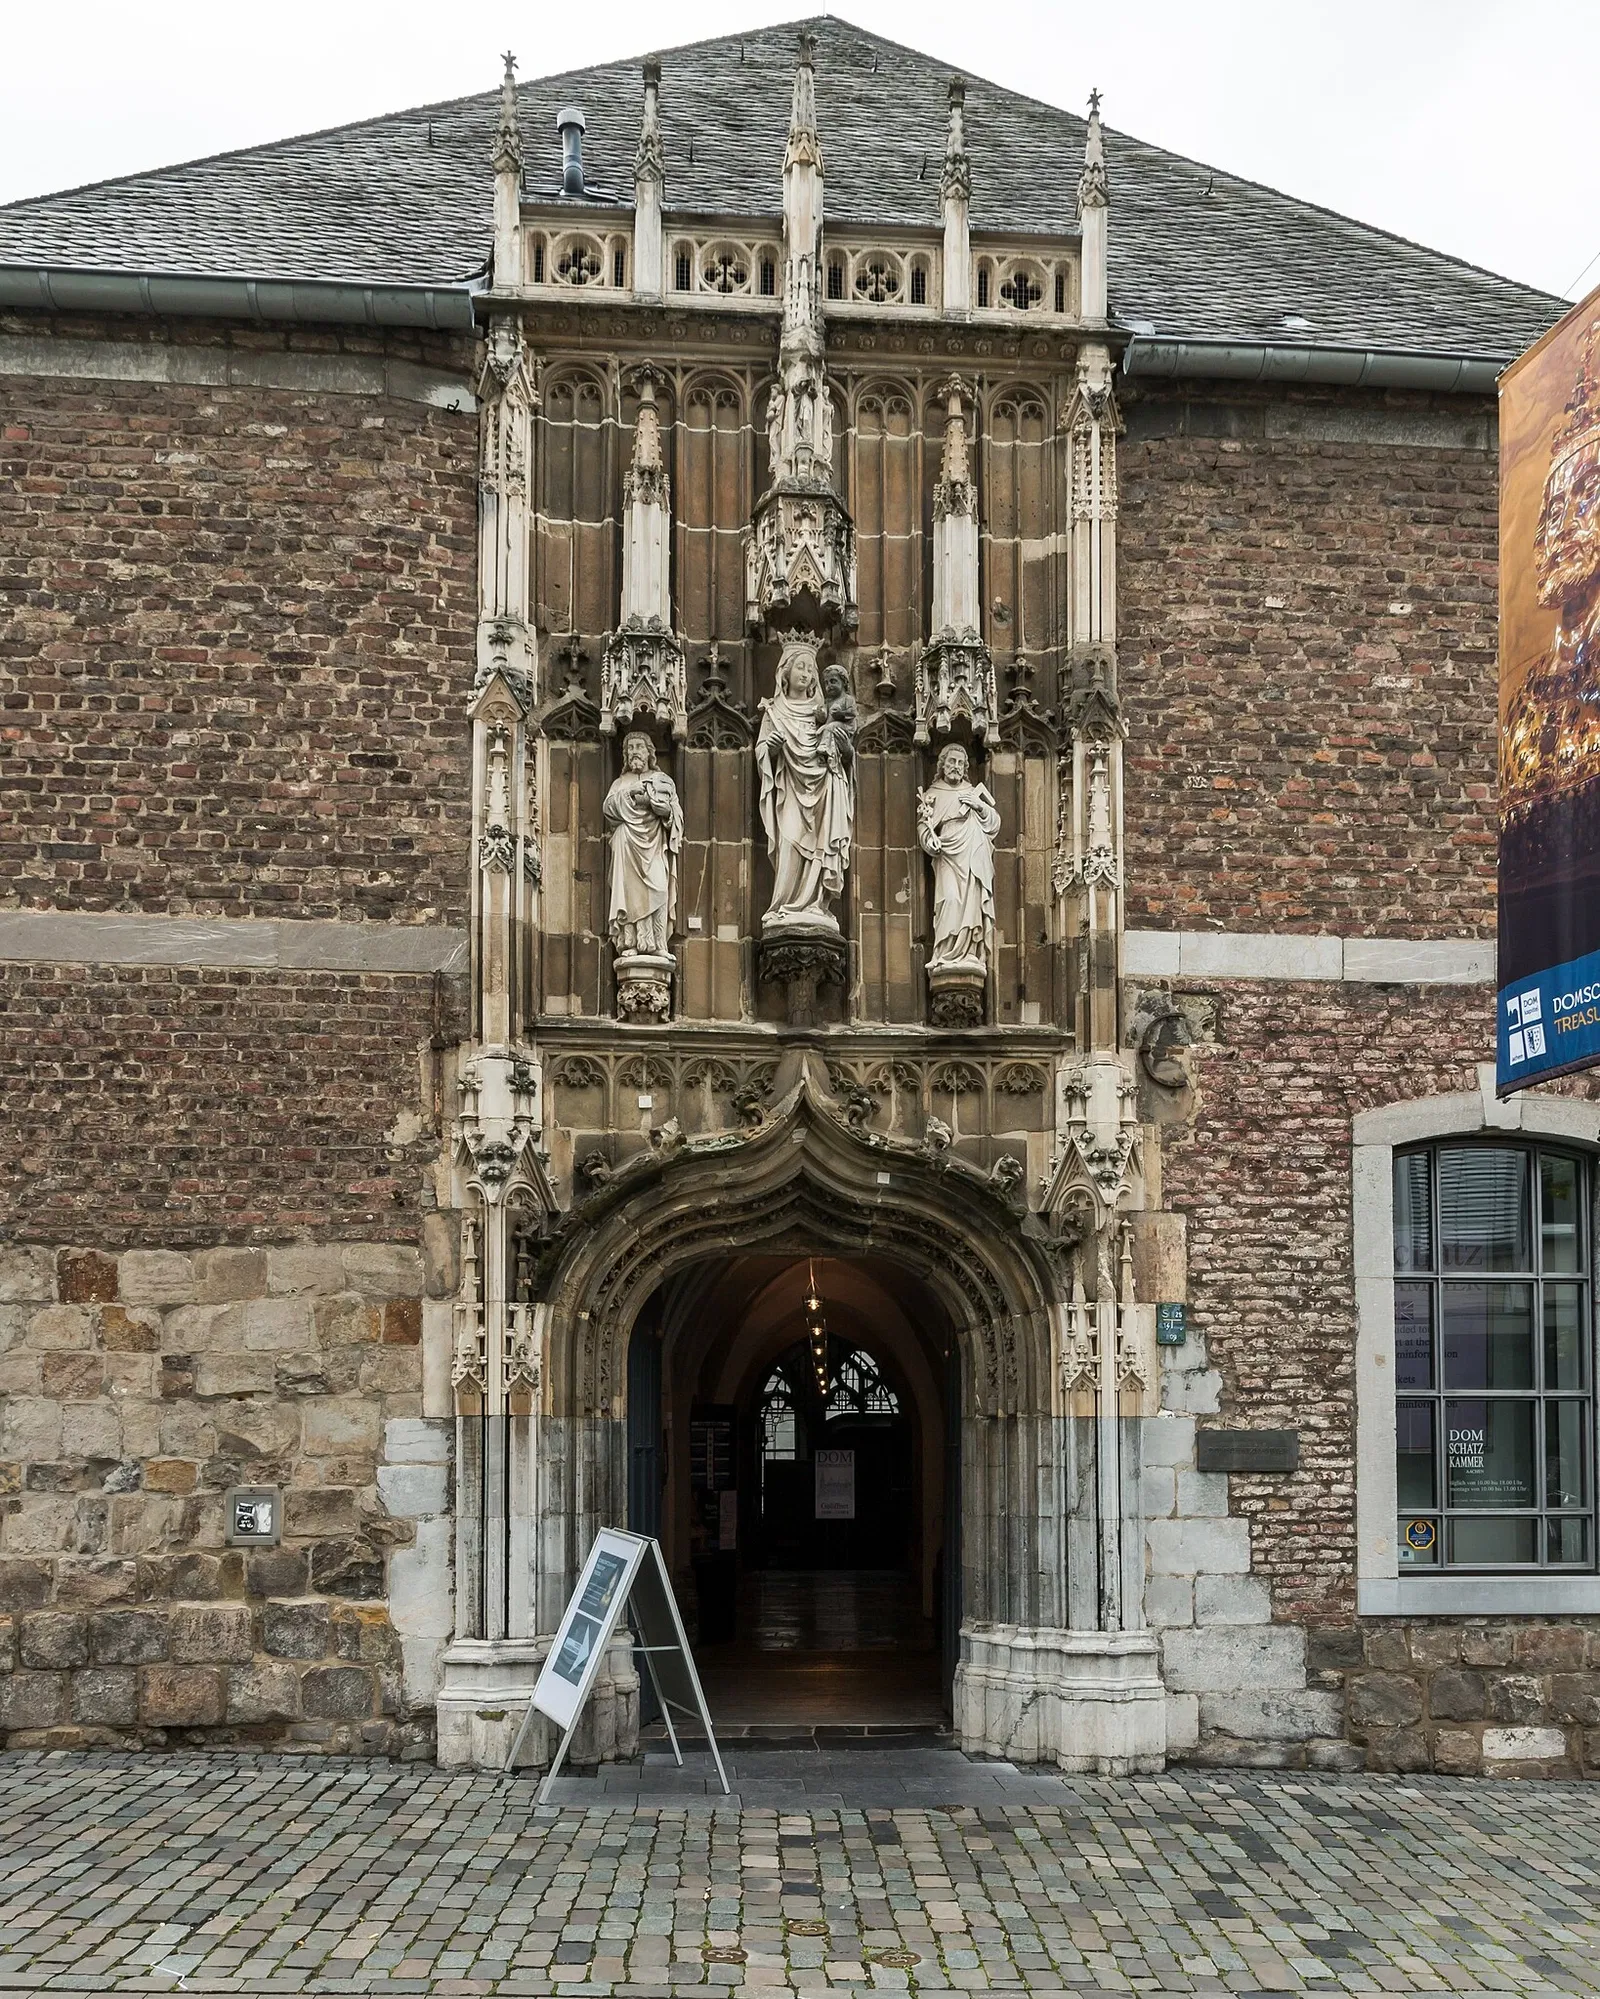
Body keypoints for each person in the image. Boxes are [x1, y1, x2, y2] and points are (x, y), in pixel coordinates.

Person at [756, 640, 855, 932]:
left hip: (825, 784)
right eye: (801, 667)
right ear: (784, 673)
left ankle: (815, 903)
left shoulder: (823, 710)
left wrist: (840, 747)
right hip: (790, 789)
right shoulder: (773, 710)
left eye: (811, 669)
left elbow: (848, 750)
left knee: (822, 843)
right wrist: (770, 749)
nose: (807, 674)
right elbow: (762, 750)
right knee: (789, 841)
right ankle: (786, 903)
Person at [917, 742, 1000, 970]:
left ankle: (970, 951)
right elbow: (924, 827)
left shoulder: (972, 793)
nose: (956, 766)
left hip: (972, 853)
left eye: (960, 763)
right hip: (947, 854)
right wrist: (930, 840)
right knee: (950, 900)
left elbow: (994, 825)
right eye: (951, 761)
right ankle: (946, 951)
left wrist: (980, 807)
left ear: (965, 767)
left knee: (972, 904)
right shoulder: (933, 794)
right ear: (942, 765)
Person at [603, 732, 682, 957]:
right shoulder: (621, 783)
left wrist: (653, 803)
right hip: (627, 845)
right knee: (628, 893)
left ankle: (657, 944)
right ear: (626, 755)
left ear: (649, 752)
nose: (635, 751)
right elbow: (608, 809)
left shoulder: (662, 781)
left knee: (658, 886)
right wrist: (629, 793)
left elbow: (675, 814)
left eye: (640, 746)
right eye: (630, 747)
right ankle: (630, 943)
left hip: (654, 843)